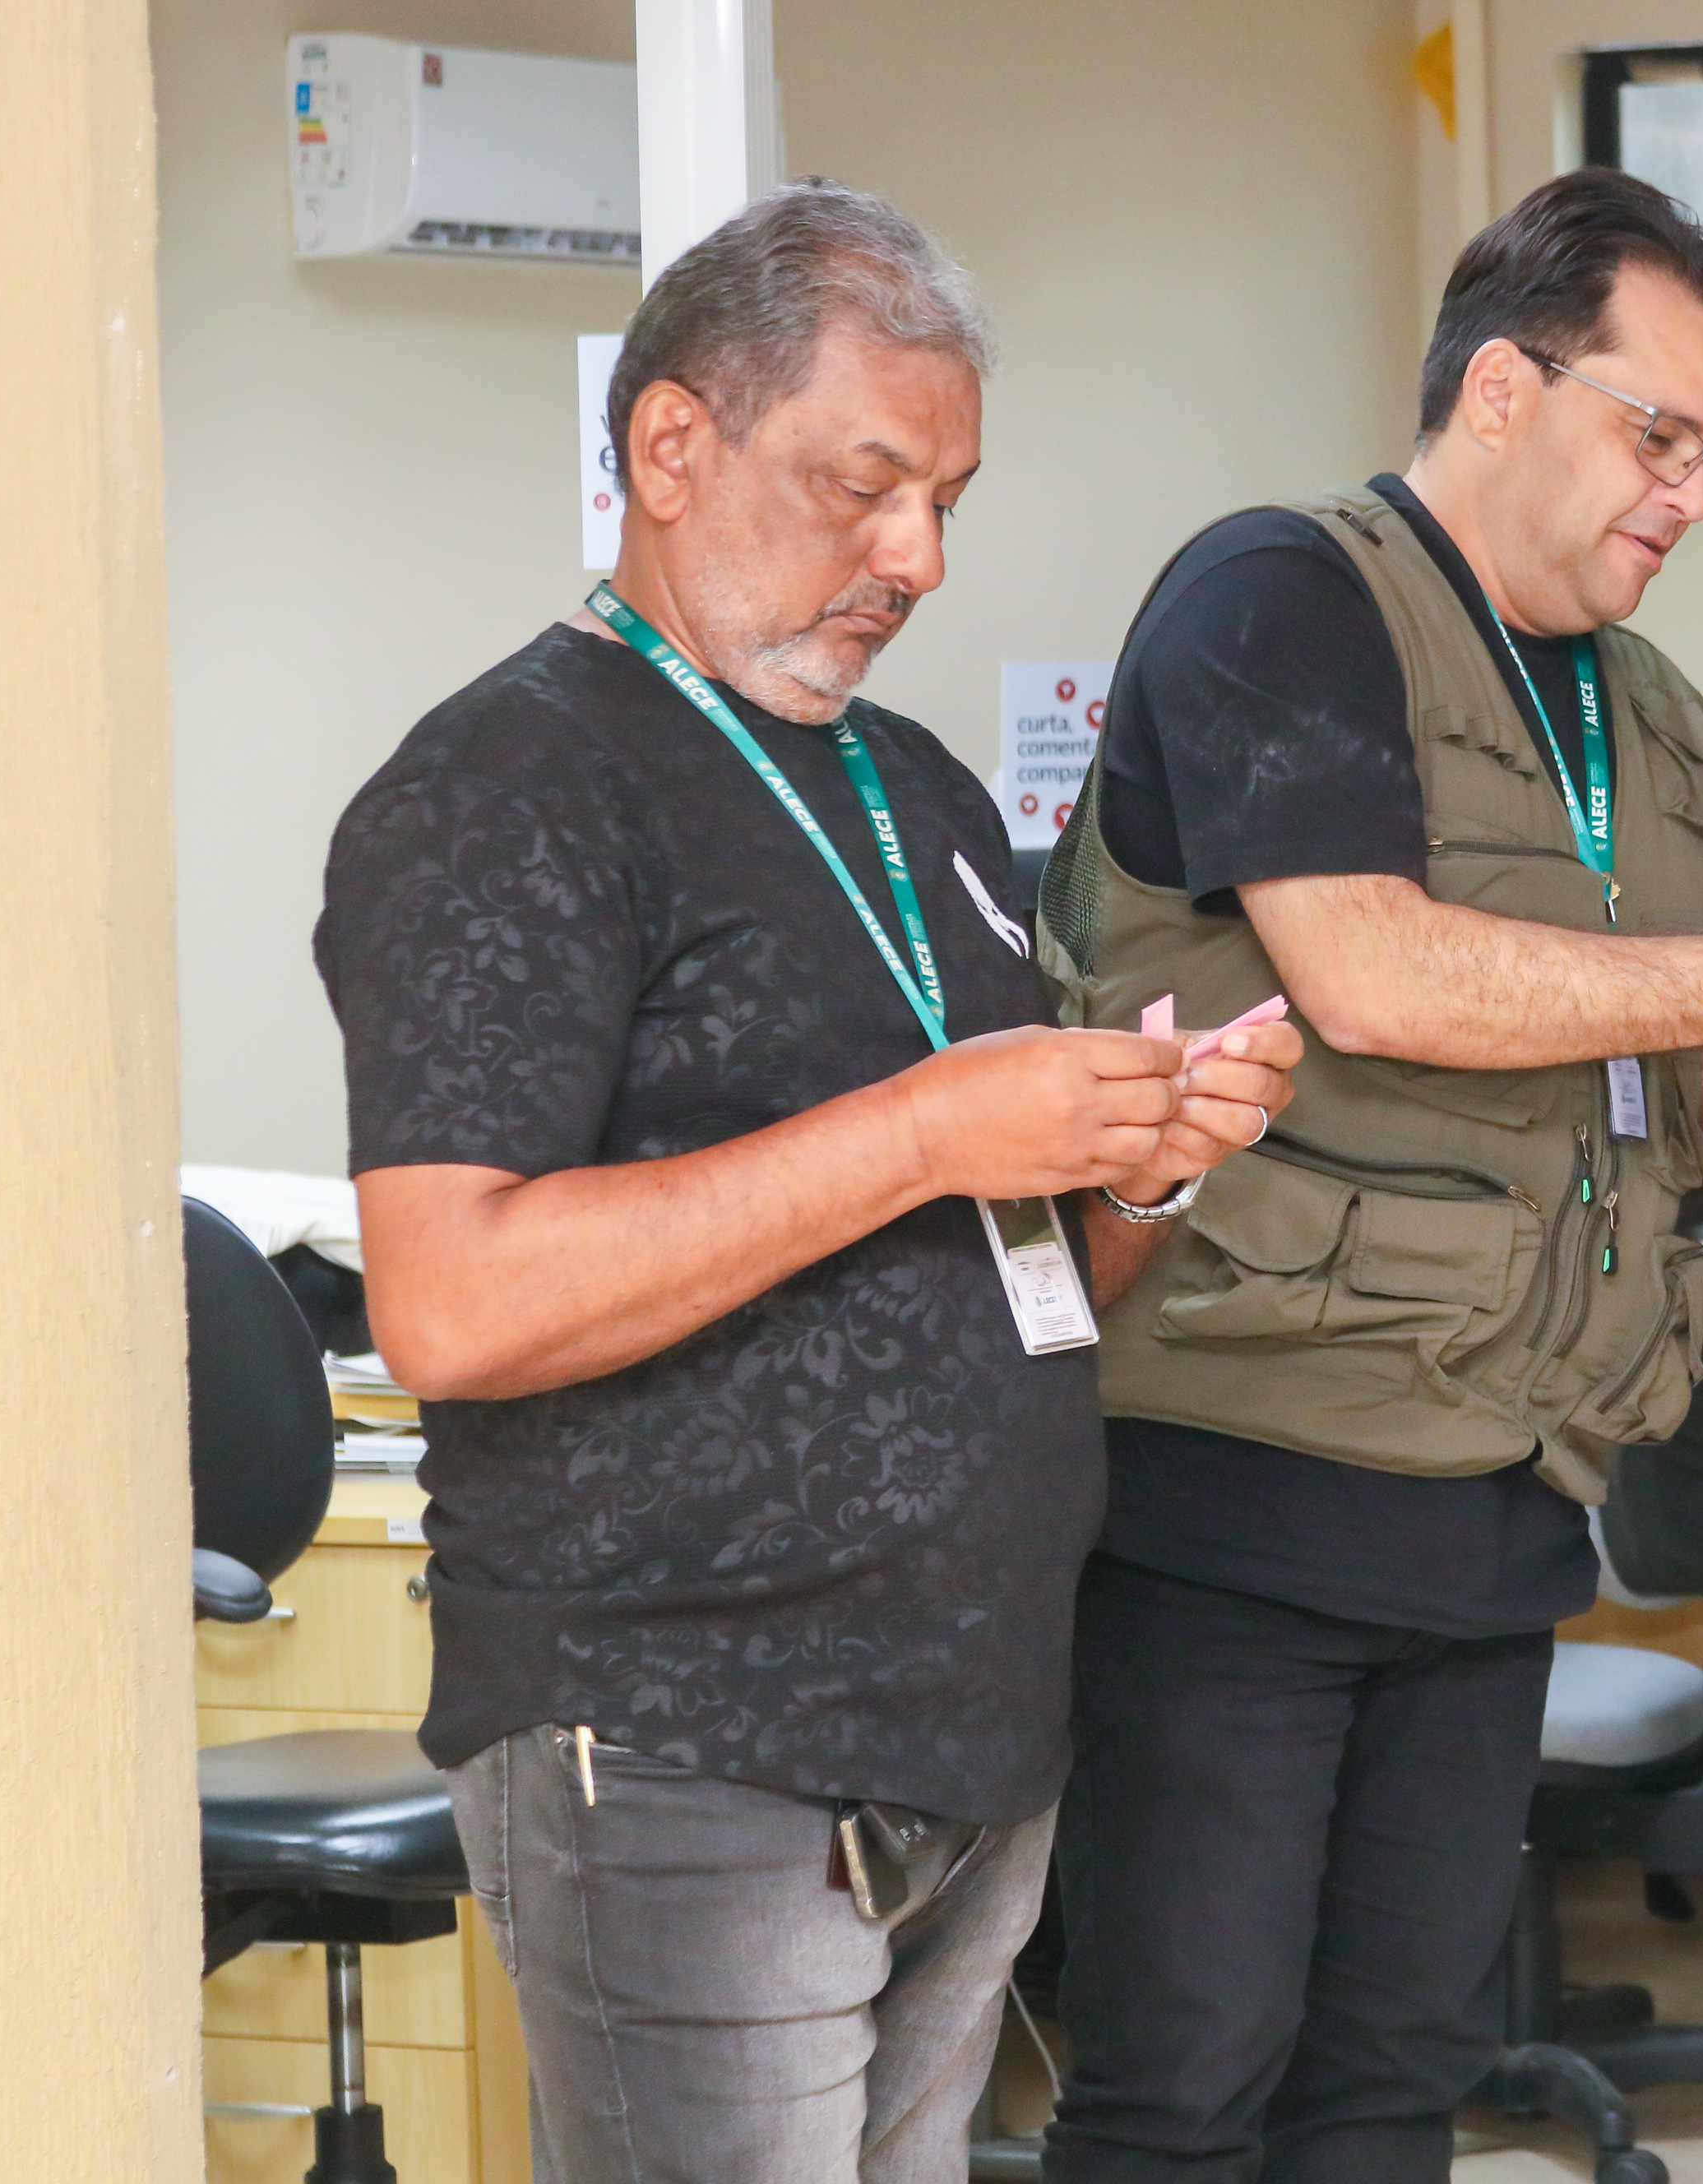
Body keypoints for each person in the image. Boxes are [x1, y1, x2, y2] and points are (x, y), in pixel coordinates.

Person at [1032, 169, 1703, 2184]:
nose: (1689, 494)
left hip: (1498, 1507)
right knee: (1185, 2092)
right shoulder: (1284, 598)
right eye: (1658, 434)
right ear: (1504, 388)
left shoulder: (1654, 718)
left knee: (1386, 2089)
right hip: (1238, 1494)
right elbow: (1374, 968)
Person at [315, 183, 1303, 2184]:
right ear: (673, 443)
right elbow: (453, 1300)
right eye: (864, 488)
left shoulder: (913, 783)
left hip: (968, 1725)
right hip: (689, 1732)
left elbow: (1007, 1271)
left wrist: (1143, 1166)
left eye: (946, 498)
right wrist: (928, 1125)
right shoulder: (509, 786)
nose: (917, 557)